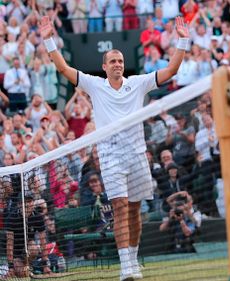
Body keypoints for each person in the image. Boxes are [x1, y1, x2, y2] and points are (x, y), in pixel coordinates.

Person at [38, 15, 190, 281]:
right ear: (104, 66)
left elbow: (171, 71)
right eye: (113, 61)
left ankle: (133, 261)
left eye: (120, 61)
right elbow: (63, 68)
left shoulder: (138, 83)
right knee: (119, 207)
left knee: (134, 210)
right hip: (110, 157)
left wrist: (183, 38)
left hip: (137, 155)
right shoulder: (94, 85)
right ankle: (125, 268)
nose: (117, 64)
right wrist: (49, 38)